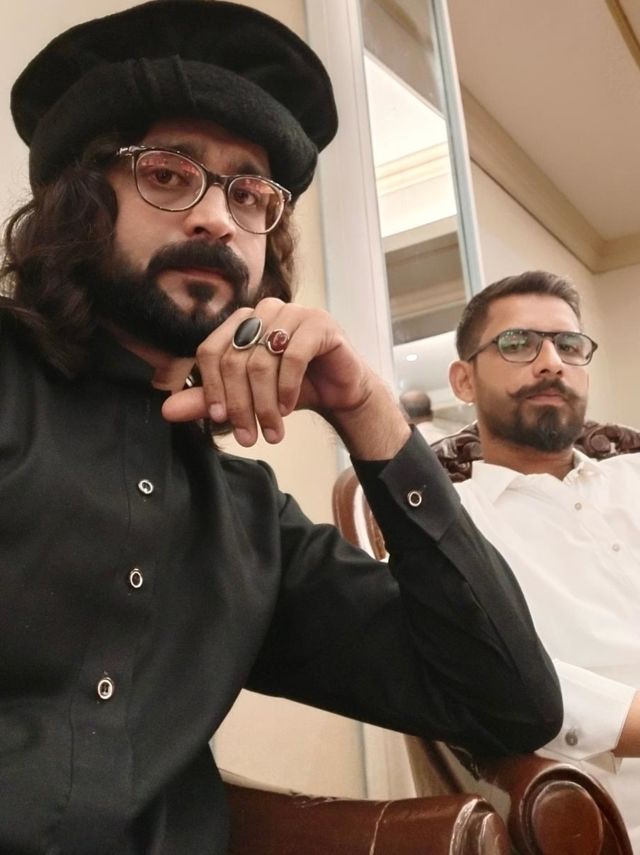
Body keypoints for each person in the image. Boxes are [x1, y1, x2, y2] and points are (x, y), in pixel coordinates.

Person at [0, 4, 562, 853]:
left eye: (251, 193)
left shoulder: (250, 525)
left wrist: (367, 409)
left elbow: (510, 701)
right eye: (167, 174)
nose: (218, 219)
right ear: (80, 200)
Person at [448, 269, 640, 851]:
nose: (552, 362)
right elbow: (479, 669)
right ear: (464, 379)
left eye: (569, 345)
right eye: (518, 343)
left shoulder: (634, 477)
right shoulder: (449, 525)